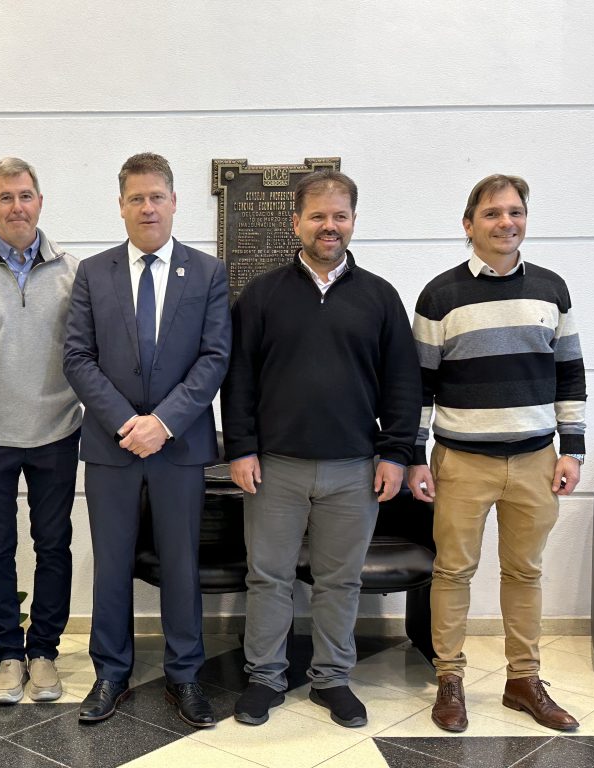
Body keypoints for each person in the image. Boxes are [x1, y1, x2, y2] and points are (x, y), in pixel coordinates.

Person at [220, 170, 421, 729]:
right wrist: (241, 447)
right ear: (297, 223)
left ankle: (331, 679)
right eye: (318, 216)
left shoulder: (380, 297)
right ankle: (265, 677)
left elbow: (403, 382)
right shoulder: (262, 294)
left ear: (353, 221)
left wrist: (396, 453)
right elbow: (238, 380)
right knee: (268, 578)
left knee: (340, 581)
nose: (328, 226)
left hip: (354, 470)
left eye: (339, 216)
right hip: (275, 469)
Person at [407, 174, 585, 733]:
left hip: (536, 459)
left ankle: (523, 681)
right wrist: (416, 456)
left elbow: (570, 374)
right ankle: (450, 680)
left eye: (516, 212)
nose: (506, 222)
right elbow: (420, 386)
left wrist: (572, 449)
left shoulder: (552, 290)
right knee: (453, 572)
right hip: (461, 462)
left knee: (524, 572)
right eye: (492, 213)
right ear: (469, 225)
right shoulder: (440, 295)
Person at [63, 152, 230, 727]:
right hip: (112, 445)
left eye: (157, 196)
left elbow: (214, 358)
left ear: (174, 202)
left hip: (178, 445)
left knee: (181, 562)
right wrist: (125, 422)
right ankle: (111, 673)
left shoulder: (207, 273)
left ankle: (185, 676)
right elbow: (78, 357)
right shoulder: (95, 272)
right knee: (111, 563)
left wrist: (164, 422)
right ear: (121, 206)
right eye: (136, 198)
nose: (148, 207)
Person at [0, 157, 81, 704]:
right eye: (5, 197)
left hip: (56, 430)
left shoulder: (73, 272)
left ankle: (44, 652)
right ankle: (8, 653)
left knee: (53, 545)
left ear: (40, 202)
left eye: (25, 195)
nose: (17, 206)